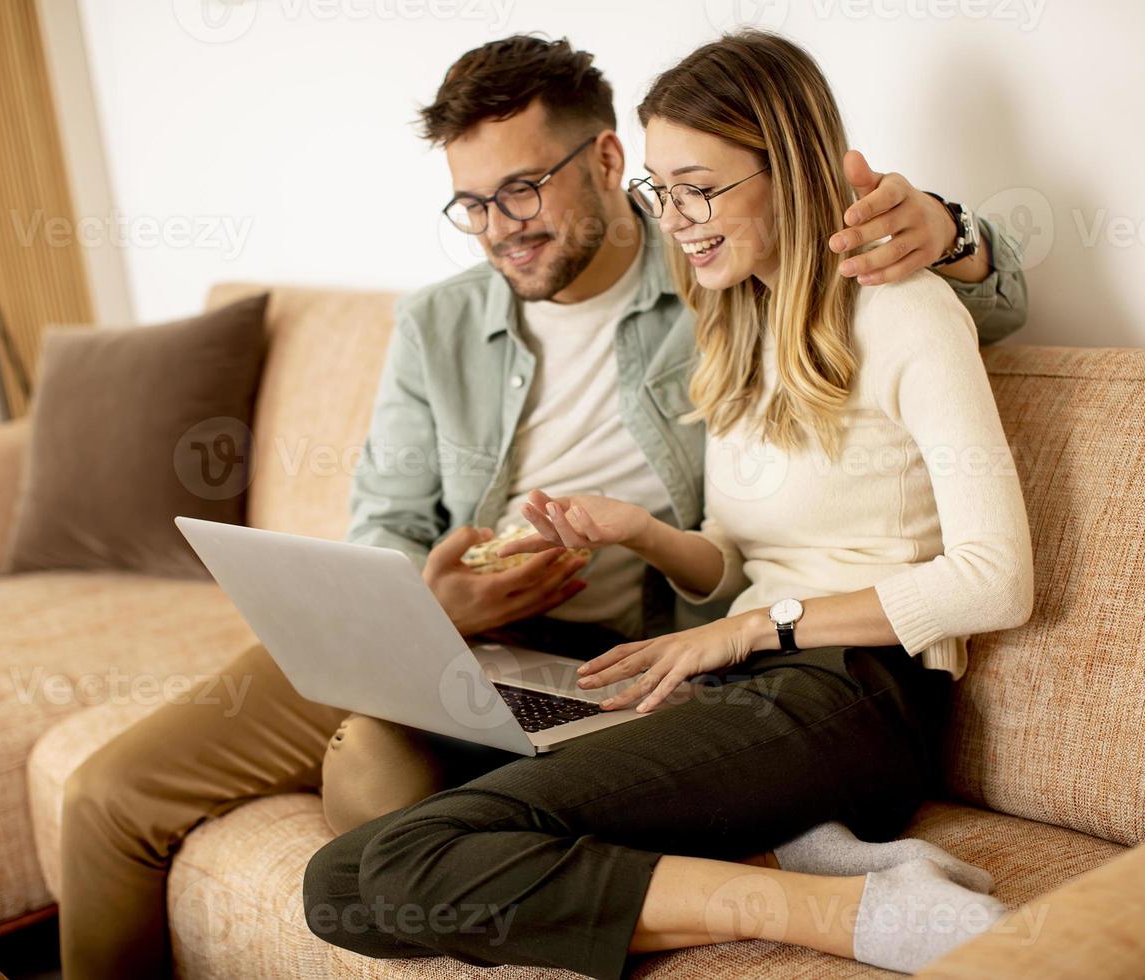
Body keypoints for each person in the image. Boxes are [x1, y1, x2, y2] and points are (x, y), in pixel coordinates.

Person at [57, 33, 1028, 979]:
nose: (499, 226)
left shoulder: (707, 282)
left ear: (604, 159)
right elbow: (388, 517)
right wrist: (436, 592)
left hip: (648, 656)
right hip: (454, 629)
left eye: (522, 189)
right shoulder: (470, 319)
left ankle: (806, 879)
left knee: (381, 802)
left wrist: (952, 227)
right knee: (108, 790)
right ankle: (783, 855)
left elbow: (909, 315)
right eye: (472, 203)